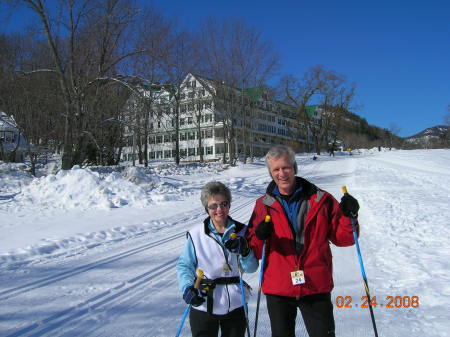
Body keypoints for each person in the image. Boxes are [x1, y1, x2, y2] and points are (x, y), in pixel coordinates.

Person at [246, 145, 360, 337]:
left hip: (315, 284)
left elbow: (345, 239)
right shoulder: (262, 205)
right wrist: (259, 236)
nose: (282, 173)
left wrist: (351, 216)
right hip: (279, 288)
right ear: (270, 173)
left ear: (294, 167)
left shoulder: (322, 199)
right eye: (276, 169)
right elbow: (254, 251)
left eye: (286, 167)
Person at [177, 181, 258, 337]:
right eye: (213, 206)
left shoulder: (243, 231)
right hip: (204, 302)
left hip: (235, 304)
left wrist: (246, 250)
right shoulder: (196, 234)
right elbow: (184, 265)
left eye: (224, 204)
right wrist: (187, 286)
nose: (219, 209)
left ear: (229, 205)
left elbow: (251, 268)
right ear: (206, 209)